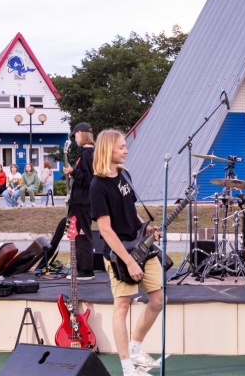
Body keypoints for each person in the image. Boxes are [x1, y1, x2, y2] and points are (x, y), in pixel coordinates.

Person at [90, 129, 161, 376]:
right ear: (108, 149)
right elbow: (105, 230)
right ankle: (128, 368)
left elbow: (131, 210)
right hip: (119, 255)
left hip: (140, 247)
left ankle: (135, 348)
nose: (126, 151)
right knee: (122, 307)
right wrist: (129, 261)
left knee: (157, 300)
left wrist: (145, 228)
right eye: (122, 147)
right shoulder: (97, 186)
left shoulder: (125, 175)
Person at [63, 122, 95, 280]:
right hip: (80, 202)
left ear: (81, 134)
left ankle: (86, 270)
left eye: (75, 135)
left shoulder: (87, 154)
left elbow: (89, 179)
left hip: (83, 202)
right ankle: (80, 267)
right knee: (78, 235)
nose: (75, 138)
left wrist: (73, 172)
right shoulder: (88, 153)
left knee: (82, 235)